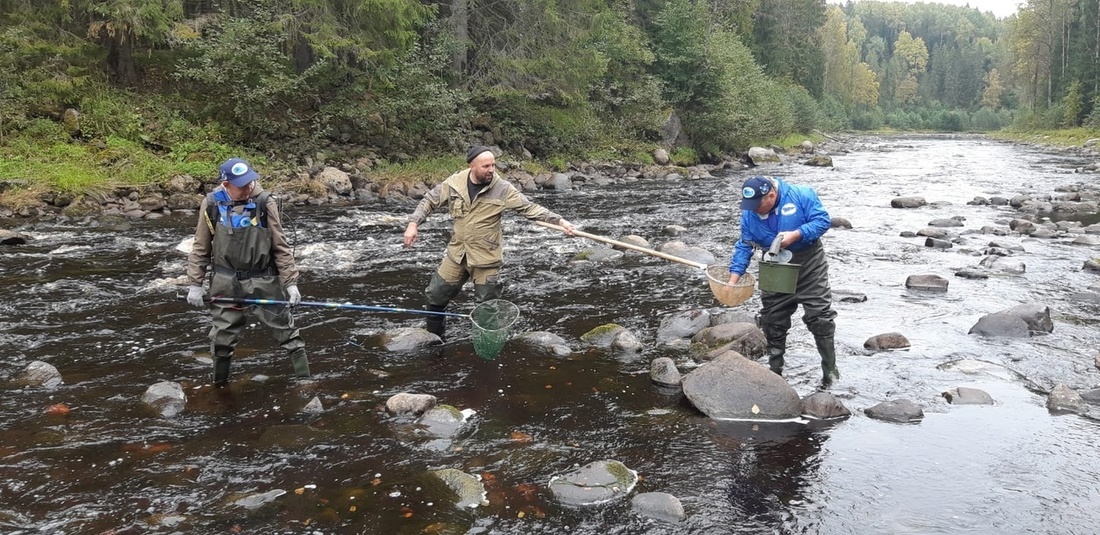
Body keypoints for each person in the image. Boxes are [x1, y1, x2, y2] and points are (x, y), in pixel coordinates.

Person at [403, 145, 575, 341]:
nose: (492, 170)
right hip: (457, 254)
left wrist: (560, 222)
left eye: (493, 165)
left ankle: (487, 350)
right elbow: (429, 201)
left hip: (486, 259)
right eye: (486, 166)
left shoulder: (503, 189)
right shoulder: (454, 184)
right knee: (435, 295)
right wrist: (413, 224)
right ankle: (434, 341)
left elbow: (531, 209)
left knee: (486, 309)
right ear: (472, 166)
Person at [185, 158, 309, 385]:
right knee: (222, 340)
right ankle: (219, 389)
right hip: (225, 282)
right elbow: (201, 246)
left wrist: (291, 283)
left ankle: (306, 383)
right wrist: (195, 283)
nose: (248, 187)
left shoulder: (264, 202)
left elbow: (280, 246)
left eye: (250, 182)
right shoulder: (212, 204)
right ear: (225, 184)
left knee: (288, 334)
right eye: (241, 184)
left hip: (265, 280)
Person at [726, 175, 839, 386]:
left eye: (757, 204)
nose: (753, 209)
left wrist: (797, 234)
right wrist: (733, 279)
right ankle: (775, 372)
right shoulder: (749, 214)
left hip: (809, 265)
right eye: (749, 205)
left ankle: (830, 370)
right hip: (774, 266)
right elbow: (744, 245)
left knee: (820, 316)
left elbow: (823, 221)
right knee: (772, 320)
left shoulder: (802, 195)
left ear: (772, 194)